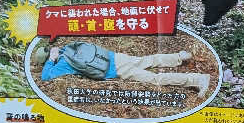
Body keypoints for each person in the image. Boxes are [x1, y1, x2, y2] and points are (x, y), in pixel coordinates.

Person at [33, 40, 210, 96]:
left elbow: (45, 77)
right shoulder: (69, 48)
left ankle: (196, 79)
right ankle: (179, 57)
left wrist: (51, 61)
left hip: (115, 70)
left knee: (155, 79)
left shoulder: (62, 63)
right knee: (149, 60)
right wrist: (56, 52)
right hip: (116, 56)